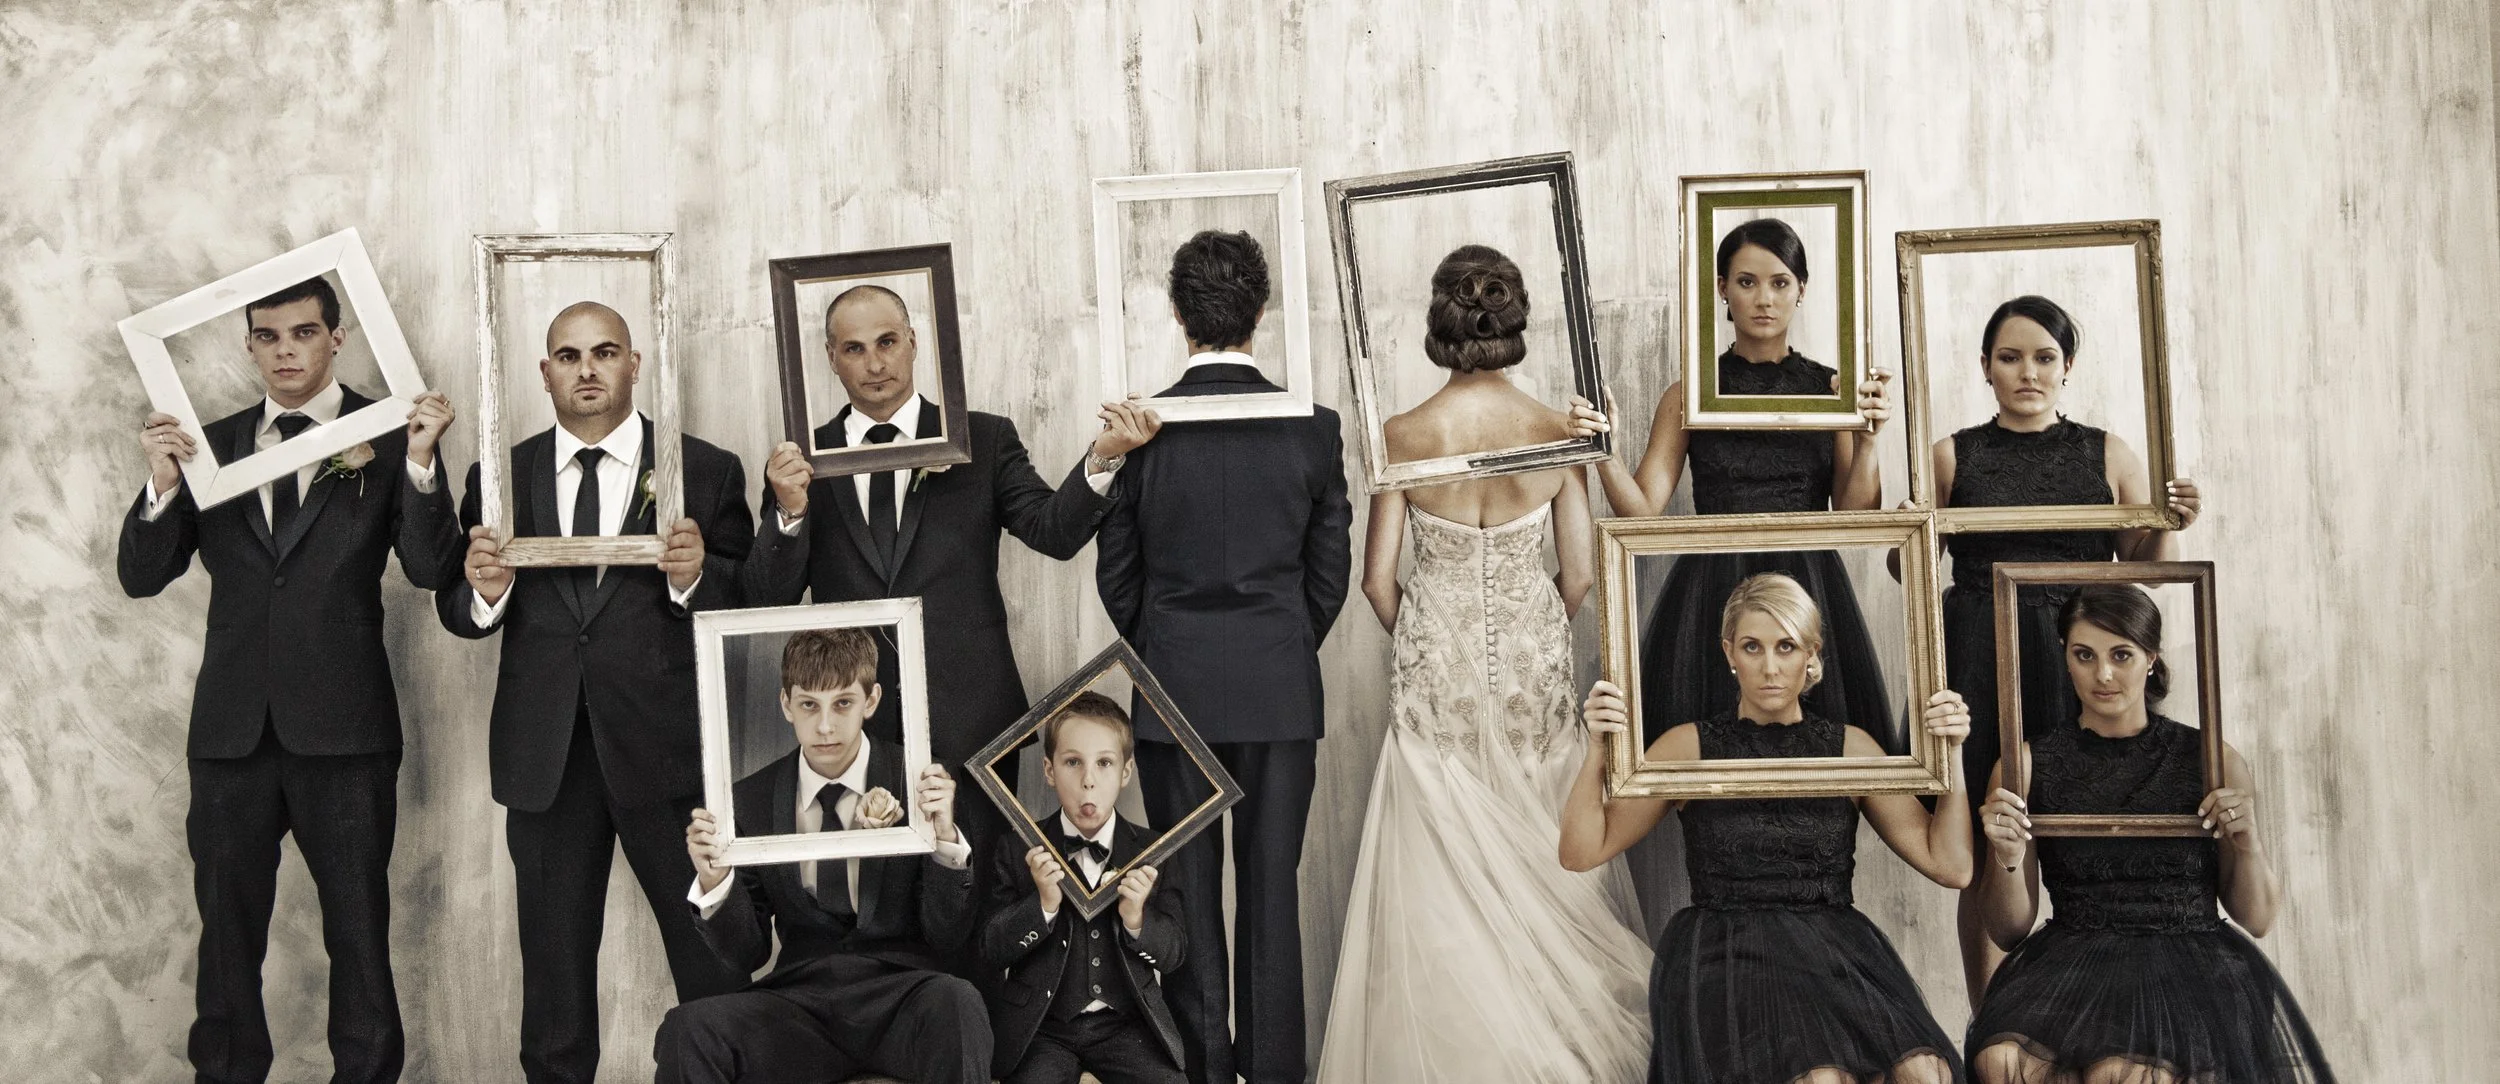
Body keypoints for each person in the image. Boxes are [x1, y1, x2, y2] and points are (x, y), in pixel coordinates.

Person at [1315, 245, 1651, 1083]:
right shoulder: (1554, 432)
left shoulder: (1404, 433)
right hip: (1535, 677)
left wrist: (1432, 636)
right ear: (1515, 324)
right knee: (1547, 845)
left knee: (1439, 880)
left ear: (1441, 325)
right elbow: (1577, 573)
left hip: (1438, 685)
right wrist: (1531, 625)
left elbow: (1377, 581)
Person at [120, 275, 460, 1084]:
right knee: (227, 939)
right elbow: (141, 576)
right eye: (267, 337)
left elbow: (429, 566)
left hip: (344, 733)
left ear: (336, 338)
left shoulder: (386, 435)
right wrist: (164, 484)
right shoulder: (211, 444)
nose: (285, 352)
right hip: (232, 735)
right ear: (248, 345)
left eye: (302, 334)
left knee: (357, 932)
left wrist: (417, 463)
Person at [742, 283, 1160, 886]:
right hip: (856, 728)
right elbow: (766, 601)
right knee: (875, 902)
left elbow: (1053, 531)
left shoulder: (982, 439)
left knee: (975, 896)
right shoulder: (803, 460)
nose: (876, 363)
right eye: (855, 349)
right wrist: (789, 513)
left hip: (975, 724)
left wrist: (1104, 456)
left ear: (913, 343)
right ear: (830, 357)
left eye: (888, 342)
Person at [437, 301, 753, 1083]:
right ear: (545, 372)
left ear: (634, 365)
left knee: (710, 966)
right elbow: (461, 610)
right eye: (569, 356)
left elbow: (751, 601)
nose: (587, 369)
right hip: (546, 762)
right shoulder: (497, 477)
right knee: (553, 989)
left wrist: (695, 579)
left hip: (671, 757)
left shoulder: (704, 470)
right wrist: (487, 591)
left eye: (604, 352)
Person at [1095, 229, 1354, 1084]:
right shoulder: (1313, 429)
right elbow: (1327, 580)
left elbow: (1118, 581)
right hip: (1280, 692)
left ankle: (1205, 1073)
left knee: (1188, 897)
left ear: (1177, 314)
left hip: (1174, 693)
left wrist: (1173, 647)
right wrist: (1276, 646)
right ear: (1261, 312)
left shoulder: (1141, 432)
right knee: (1271, 892)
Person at [1560, 574, 1975, 1084]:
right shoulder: (1687, 747)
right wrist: (1598, 749)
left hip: (1832, 951)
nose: (1771, 667)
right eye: (1753, 648)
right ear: (1729, 652)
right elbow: (1581, 851)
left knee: (1925, 1073)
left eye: (1786, 647)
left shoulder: (1850, 749)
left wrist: (1952, 754)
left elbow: (1951, 866)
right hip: (1726, 955)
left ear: (1811, 655)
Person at [1934, 295, 2203, 1004]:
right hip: (1983, 656)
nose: (2028, 372)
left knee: (2086, 835)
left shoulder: (2109, 452)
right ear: (1985, 368)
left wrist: (2171, 522)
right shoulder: (1949, 454)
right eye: (2010, 357)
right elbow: (1910, 569)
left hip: (2084, 655)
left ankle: (2092, 1013)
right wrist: (1913, 528)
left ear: (2068, 366)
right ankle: (1988, 1020)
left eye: (2045, 357)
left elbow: (2142, 571)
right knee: (1999, 842)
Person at [1968, 585, 2331, 1083]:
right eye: (2084, 655)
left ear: (2151, 658)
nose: (2103, 675)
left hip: (2189, 965)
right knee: (2002, 1060)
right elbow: (2008, 930)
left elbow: (2259, 917)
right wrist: (2005, 856)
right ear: (2065, 658)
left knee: (2122, 1076)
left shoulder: (2210, 759)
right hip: (2074, 961)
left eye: (2122, 655)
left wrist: (2248, 845)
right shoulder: (2026, 764)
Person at [1569, 217, 1904, 753]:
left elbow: (1855, 514)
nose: (1764, 298)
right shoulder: (1691, 392)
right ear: (1722, 289)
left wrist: (1868, 437)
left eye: (1779, 282)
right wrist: (1602, 451)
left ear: (1802, 289)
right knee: (1706, 747)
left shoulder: (1831, 388)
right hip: (1712, 584)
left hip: (1808, 580)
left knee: (1818, 752)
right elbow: (1641, 515)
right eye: (1746, 282)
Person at [663, 627, 988, 1084]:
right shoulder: (750, 799)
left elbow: (947, 933)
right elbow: (746, 955)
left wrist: (945, 837)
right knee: (688, 1029)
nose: (825, 727)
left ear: (871, 701)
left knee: (959, 1004)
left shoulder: (918, 782)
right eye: (809, 705)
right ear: (785, 705)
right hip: (800, 1005)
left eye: (842, 703)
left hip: (899, 995)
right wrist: (715, 880)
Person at [979, 692, 1187, 1084]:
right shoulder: (1017, 846)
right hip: (1043, 1030)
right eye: (1072, 762)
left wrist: (1137, 918)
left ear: (1125, 772)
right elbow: (993, 949)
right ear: (1049, 770)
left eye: (1104, 763)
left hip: (1127, 1028)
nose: (1088, 780)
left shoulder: (1154, 850)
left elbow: (1174, 954)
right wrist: (1042, 906)